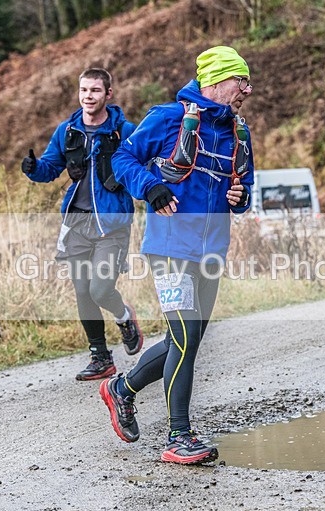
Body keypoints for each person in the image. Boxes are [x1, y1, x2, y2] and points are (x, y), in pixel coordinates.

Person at [99, 46, 254, 465]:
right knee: (185, 337)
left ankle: (122, 389)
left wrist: (240, 198)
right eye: (241, 81)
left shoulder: (239, 132)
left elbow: (244, 190)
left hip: (210, 253)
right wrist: (150, 187)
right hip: (168, 251)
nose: (247, 89)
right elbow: (122, 158)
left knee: (184, 340)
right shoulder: (169, 118)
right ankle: (178, 436)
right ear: (218, 81)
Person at [21, 68, 143, 381]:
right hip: (76, 222)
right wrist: (34, 168)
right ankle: (100, 357)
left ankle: (124, 316)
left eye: (95, 91)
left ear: (108, 94)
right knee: (82, 291)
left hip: (112, 224)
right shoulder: (68, 130)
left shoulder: (124, 132)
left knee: (100, 289)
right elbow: (50, 168)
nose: (88, 97)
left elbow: (140, 169)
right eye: (84, 90)